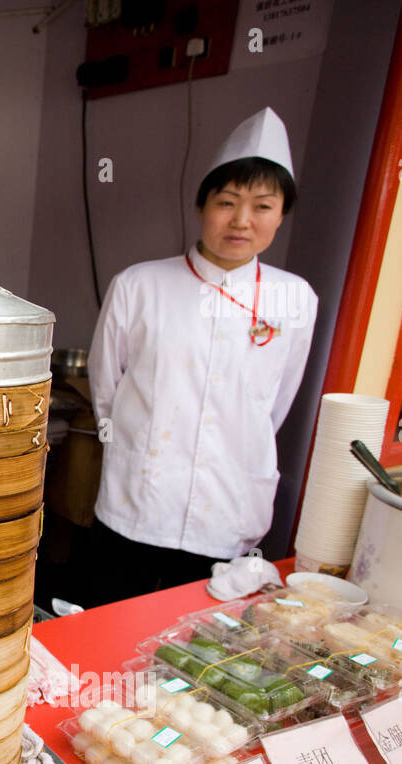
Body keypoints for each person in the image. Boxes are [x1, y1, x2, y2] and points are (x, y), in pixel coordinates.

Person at [87, 108, 318, 606]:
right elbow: (105, 386)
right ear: (201, 206)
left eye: (262, 206)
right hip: (137, 503)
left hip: (228, 510)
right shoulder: (140, 284)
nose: (241, 221)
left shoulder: (295, 299)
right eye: (227, 202)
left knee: (195, 655)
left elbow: (275, 405)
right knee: (108, 627)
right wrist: (142, 446)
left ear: (281, 214)